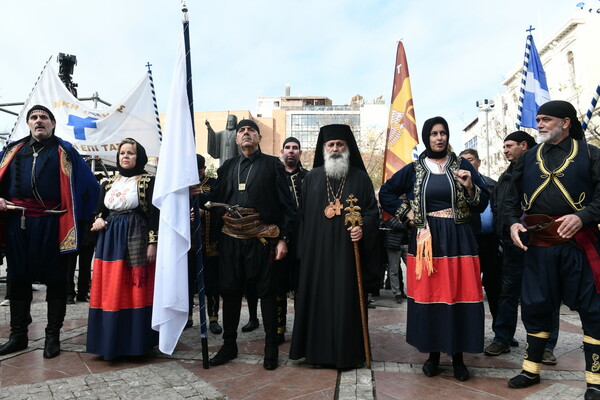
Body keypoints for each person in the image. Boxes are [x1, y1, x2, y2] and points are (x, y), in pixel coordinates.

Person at [379, 116, 489, 381]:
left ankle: (459, 357)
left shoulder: (462, 165)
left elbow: (483, 201)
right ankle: (433, 355)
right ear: (427, 137)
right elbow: (386, 193)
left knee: (460, 294)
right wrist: (407, 214)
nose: (439, 138)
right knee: (432, 295)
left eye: (443, 133)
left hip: (460, 238)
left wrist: (470, 186)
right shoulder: (415, 168)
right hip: (427, 241)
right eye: (434, 134)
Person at [504, 101, 600, 399]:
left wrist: (583, 216)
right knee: (535, 305)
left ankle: (595, 379)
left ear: (566, 122)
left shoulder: (590, 154)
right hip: (540, 245)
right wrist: (511, 223)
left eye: (546, 119)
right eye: (539, 120)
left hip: (579, 244)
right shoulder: (529, 157)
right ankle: (531, 369)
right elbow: (507, 195)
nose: (540, 124)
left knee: (593, 309)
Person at [0, 104, 100, 358]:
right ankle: (18, 335)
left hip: (52, 223)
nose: (38, 121)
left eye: (44, 117)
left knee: (56, 280)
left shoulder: (65, 151)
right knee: (17, 279)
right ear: (28, 123)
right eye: (33, 117)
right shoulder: (12, 151)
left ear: (53, 123)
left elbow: (91, 187)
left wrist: (83, 218)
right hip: (17, 223)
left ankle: (52, 337)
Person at [289, 124, 379, 370]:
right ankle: (316, 354)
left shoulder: (360, 178)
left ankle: (347, 354)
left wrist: (363, 227)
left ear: (347, 148)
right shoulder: (311, 178)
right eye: (331, 145)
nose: (336, 149)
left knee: (346, 300)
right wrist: (303, 255)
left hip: (348, 256)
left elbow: (373, 212)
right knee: (317, 300)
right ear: (324, 149)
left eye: (340, 145)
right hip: (316, 256)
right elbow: (303, 219)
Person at [207, 119, 295, 371]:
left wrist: (283, 239)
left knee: (267, 293)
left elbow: (287, 206)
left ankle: (270, 348)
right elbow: (215, 200)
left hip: (261, 238)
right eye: (241, 131)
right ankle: (229, 345)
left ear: (258, 138)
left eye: (251, 131)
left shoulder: (272, 165)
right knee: (230, 291)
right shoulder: (227, 168)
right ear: (236, 140)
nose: (246, 133)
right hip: (231, 239)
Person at [484, 131, 561, 364]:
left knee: (546, 295)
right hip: (511, 246)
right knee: (507, 293)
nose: (505, 150)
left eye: (509, 146)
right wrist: (504, 230)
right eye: (504, 146)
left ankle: (546, 346)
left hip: (541, 245)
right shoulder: (505, 177)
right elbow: (500, 209)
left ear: (524, 145)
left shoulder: (544, 170)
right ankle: (502, 338)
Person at [86, 138, 159, 360]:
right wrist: (98, 220)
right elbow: (100, 211)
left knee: (134, 290)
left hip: (136, 239)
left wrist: (152, 242)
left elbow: (155, 215)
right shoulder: (107, 182)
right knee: (110, 289)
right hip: (109, 243)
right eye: (122, 153)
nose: (125, 156)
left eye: (130, 153)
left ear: (140, 157)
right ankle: (108, 341)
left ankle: (135, 344)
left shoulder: (148, 181)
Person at [459, 149, 501, 324]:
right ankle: (472, 330)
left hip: (491, 242)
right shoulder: (457, 185)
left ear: (479, 162)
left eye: (470, 160)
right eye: (463, 161)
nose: (467, 164)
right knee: (469, 288)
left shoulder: (491, 184)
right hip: (469, 243)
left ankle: (501, 332)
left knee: (495, 288)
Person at [275, 136, 307, 343]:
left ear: (300, 153)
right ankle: (279, 328)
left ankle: (300, 329)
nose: (291, 151)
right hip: (277, 238)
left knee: (300, 286)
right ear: (282, 152)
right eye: (287, 148)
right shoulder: (273, 176)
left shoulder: (308, 177)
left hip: (303, 239)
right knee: (278, 285)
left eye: (295, 148)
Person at [187, 154, 223, 334]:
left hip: (210, 242)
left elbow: (220, 207)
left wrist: (204, 212)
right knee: (187, 282)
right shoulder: (182, 186)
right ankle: (188, 317)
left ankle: (213, 318)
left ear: (203, 169)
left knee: (212, 283)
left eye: (199, 170)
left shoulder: (214, 183)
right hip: (188, 244)